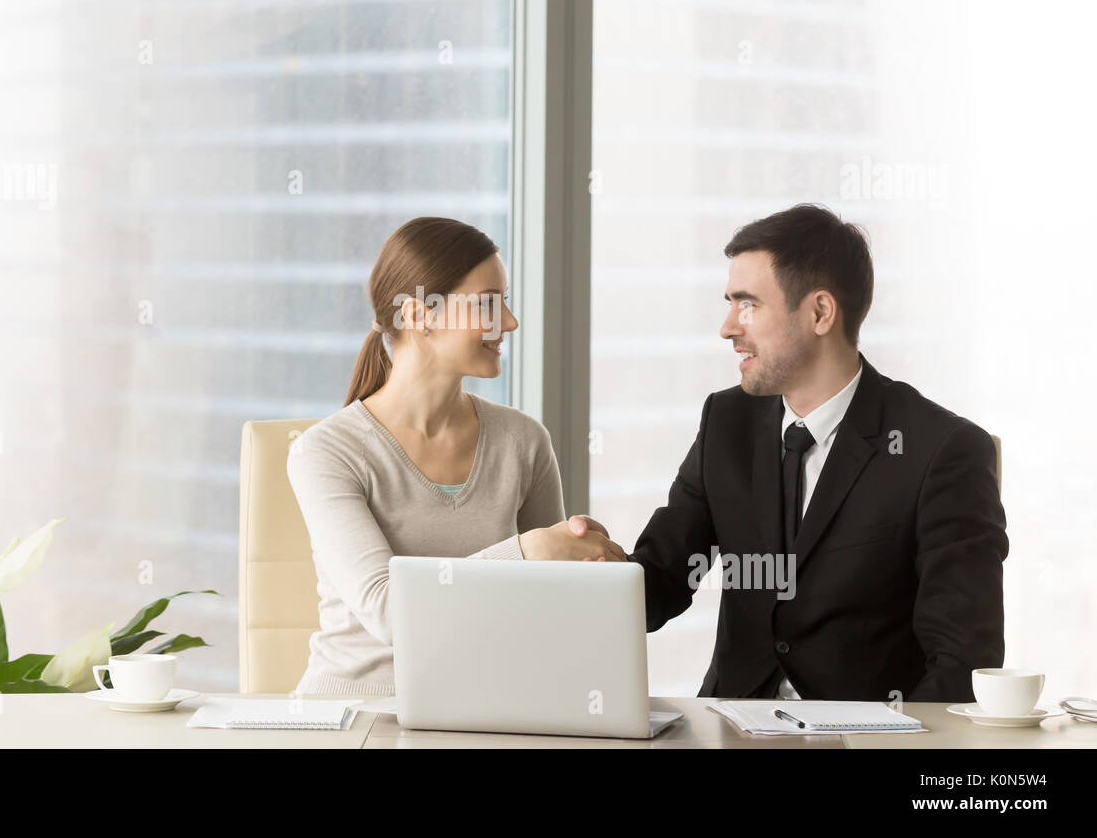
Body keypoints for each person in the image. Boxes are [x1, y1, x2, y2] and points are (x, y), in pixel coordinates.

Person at [569, 204, 1008, 702]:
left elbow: (963, 665)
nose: (728, 327)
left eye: (748, 305)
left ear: (820, 312)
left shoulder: (941, 451)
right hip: (731, 729)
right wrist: (596, 571)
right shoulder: (726, 422)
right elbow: (663, 579)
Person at [286, 216, 624, 697]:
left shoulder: (524, 441)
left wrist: (580, 569)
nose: (509, 322)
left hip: (485, 709)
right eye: (488, 303)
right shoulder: (327, 452)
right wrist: (530, 551)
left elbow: (545, 609)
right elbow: (389, 612)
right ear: (421, 315)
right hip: (355, 718)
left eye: (504, 302)